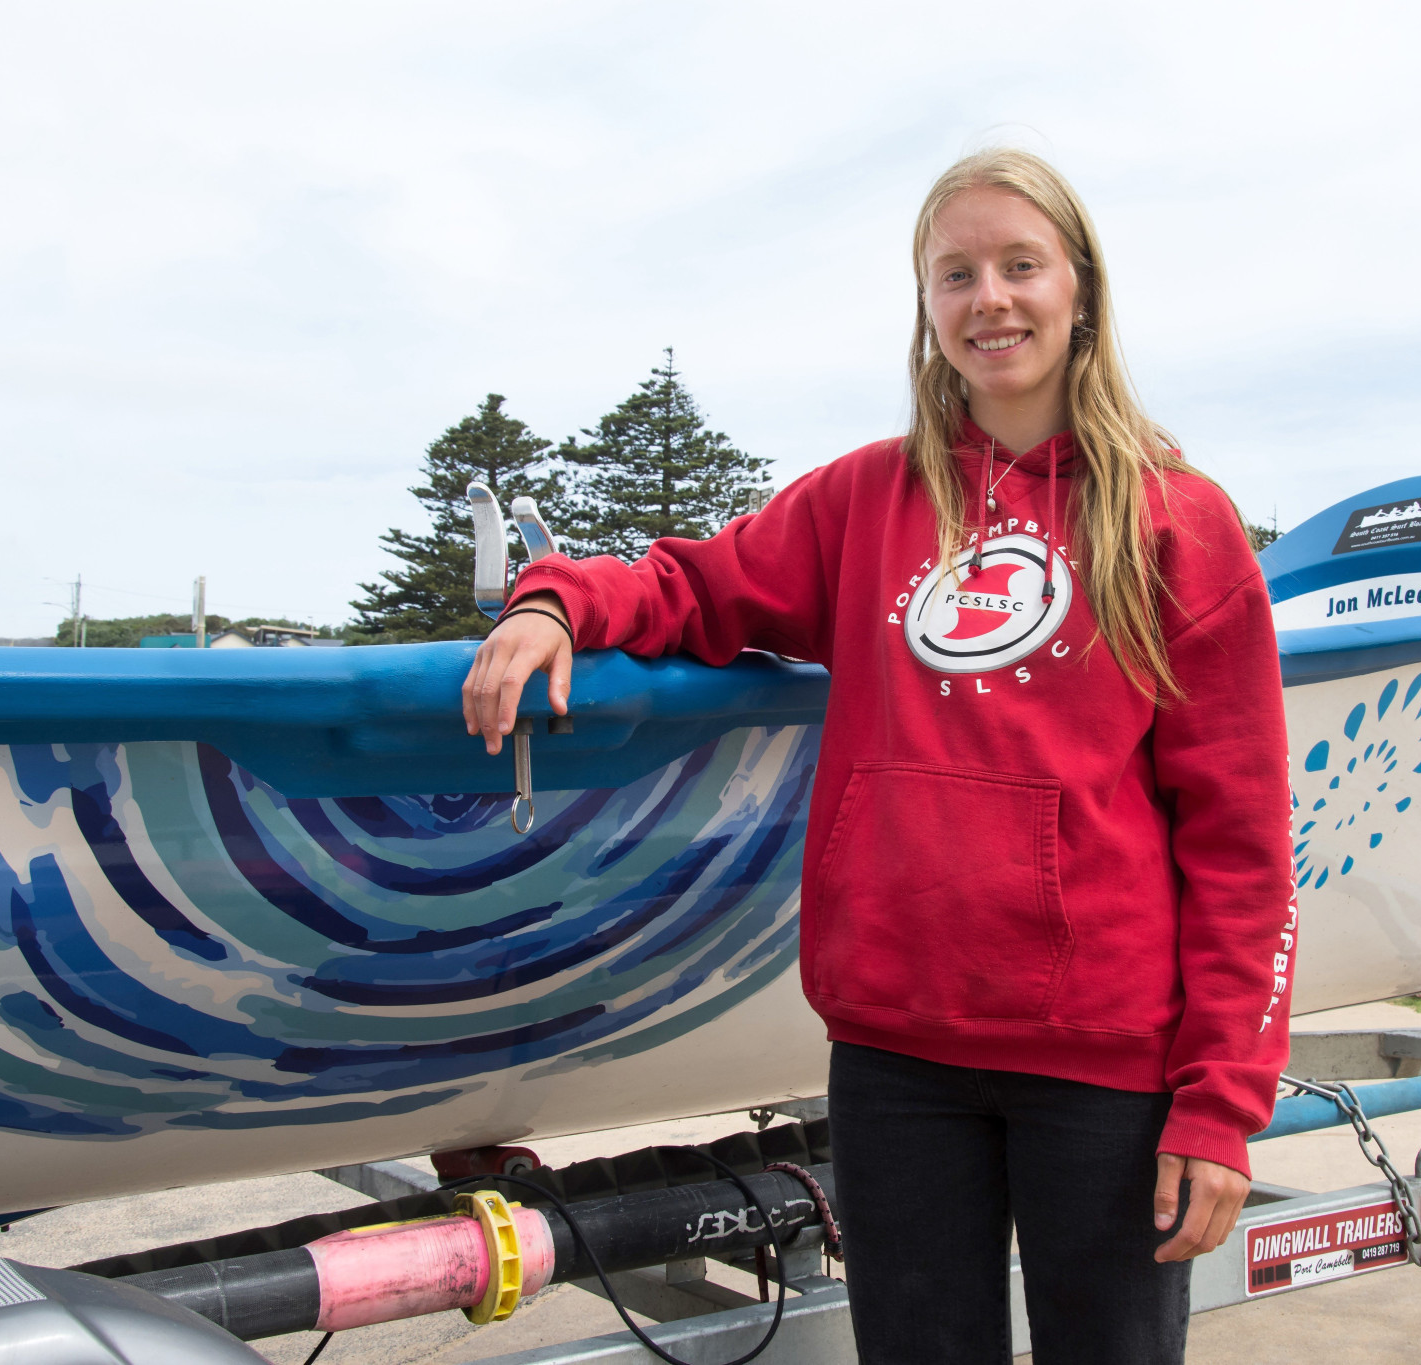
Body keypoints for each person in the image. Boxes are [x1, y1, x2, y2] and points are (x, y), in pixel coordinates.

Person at [460, 149, 1292, 1364]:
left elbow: (1241, 842)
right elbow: (694, 583)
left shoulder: (1177, 519)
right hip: (897, 1056)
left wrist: (1220, 1103)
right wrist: (550, 605)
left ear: (1081, 290)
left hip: (1105, 1068)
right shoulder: (866, 502)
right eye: (953, 274)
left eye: (1019, 265)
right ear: (925, 306)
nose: (988, 299)